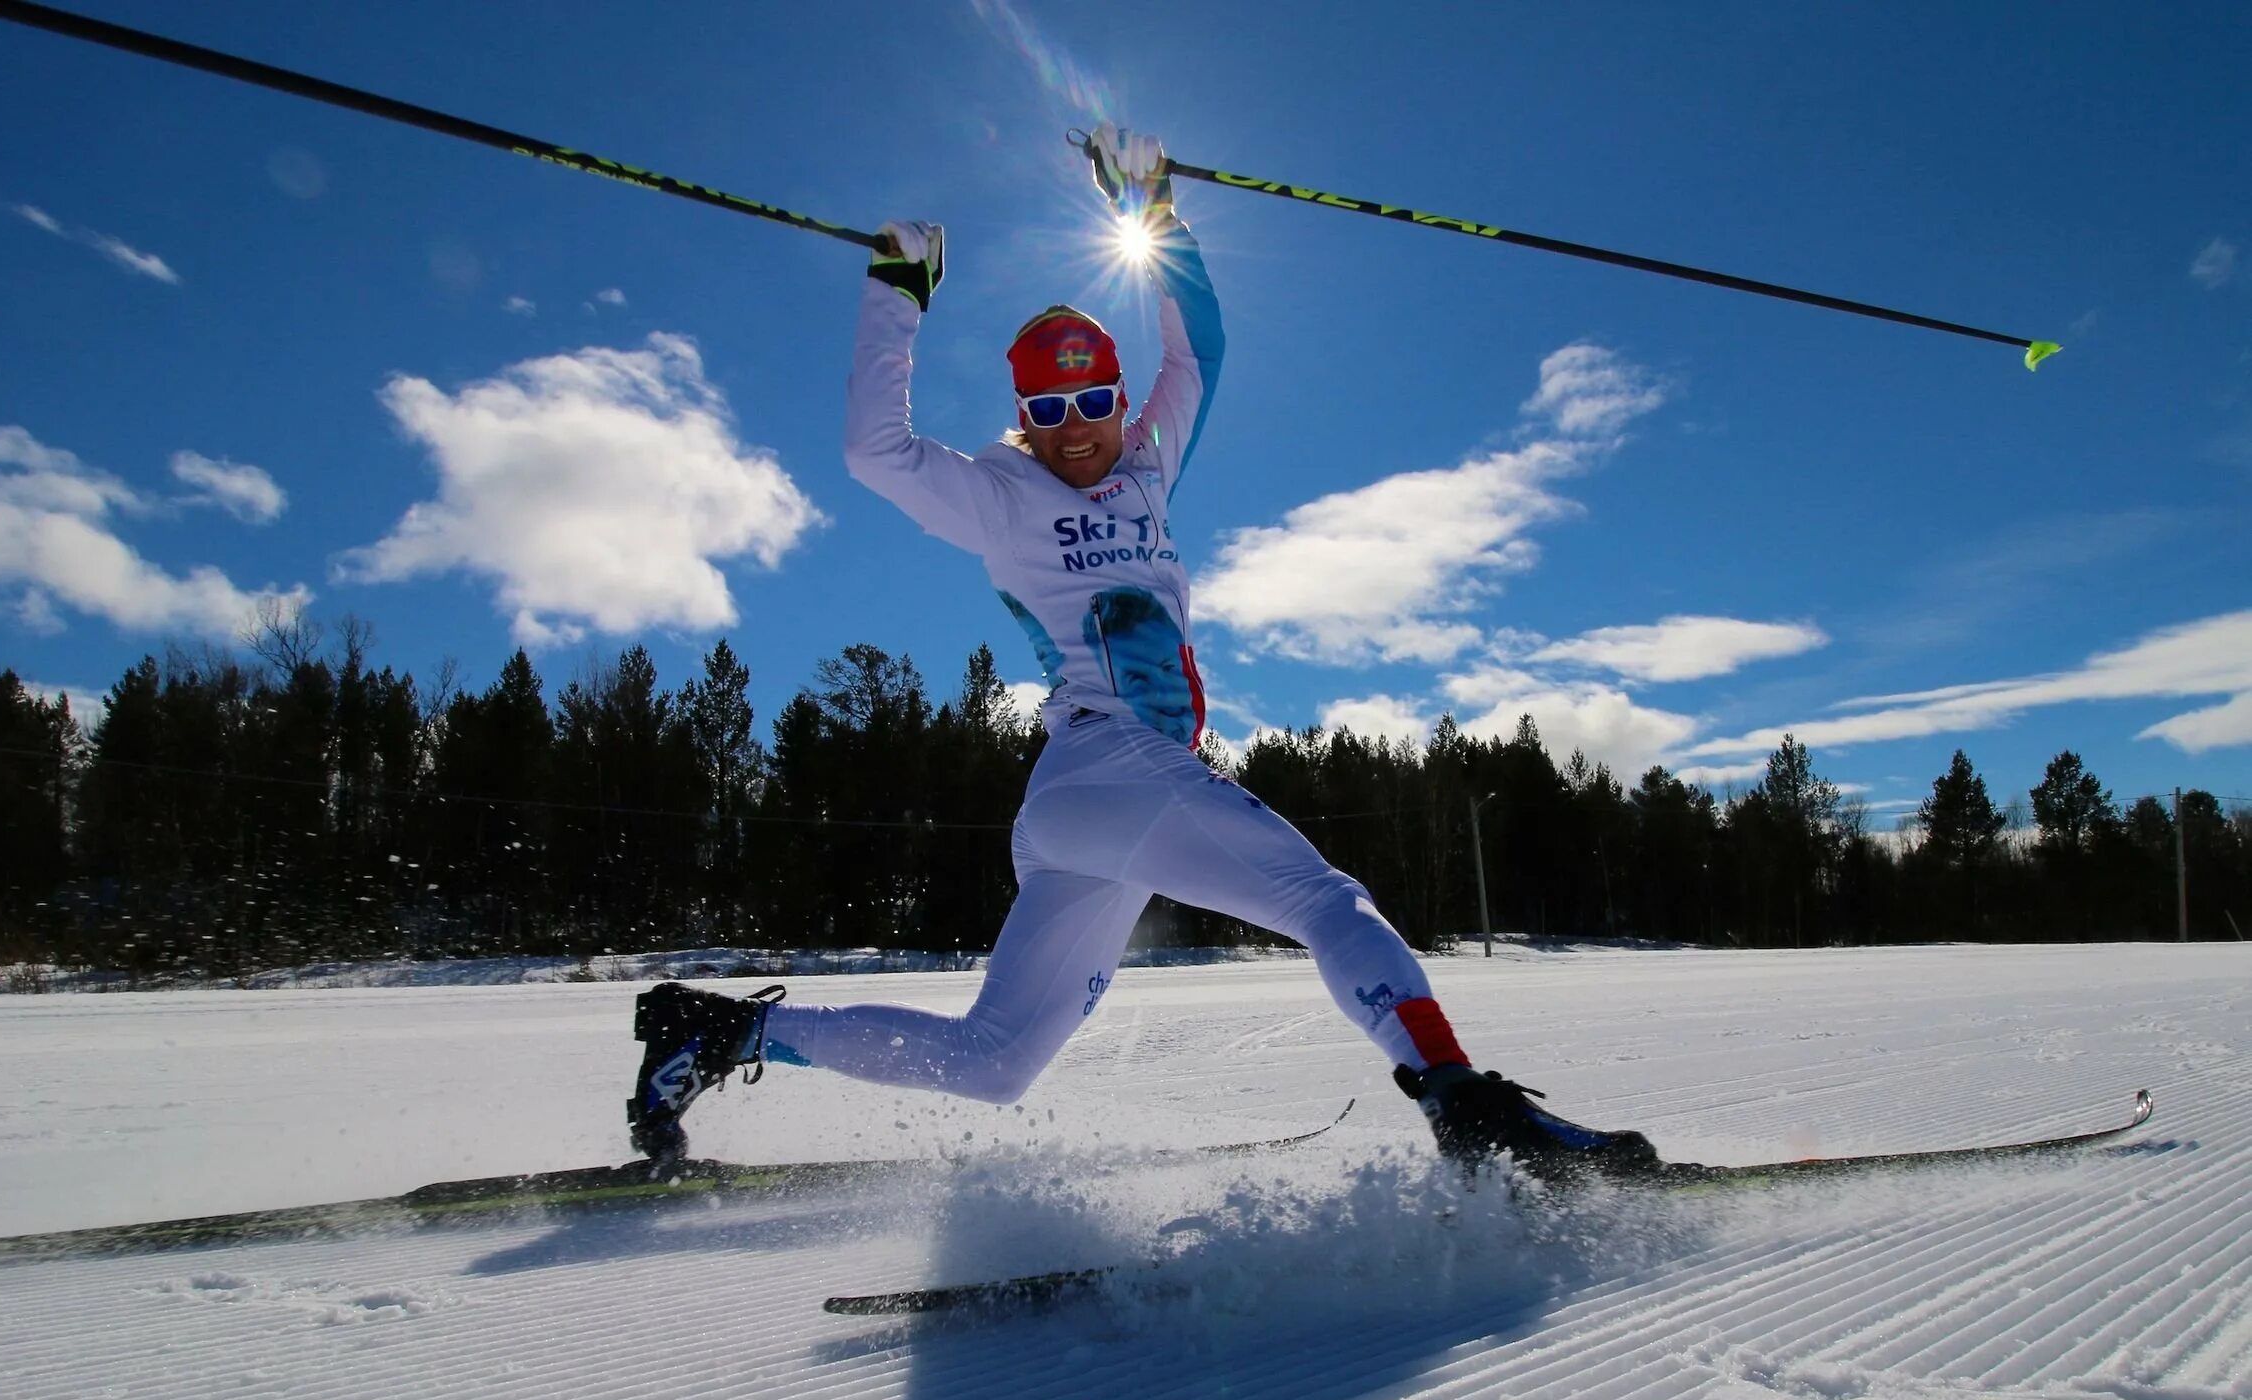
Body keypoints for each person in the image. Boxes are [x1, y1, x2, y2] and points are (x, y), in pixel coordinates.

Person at [627, 125, 1659, 1188]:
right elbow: (873, 451)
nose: (1076, 430)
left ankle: (715, 1034)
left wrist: (1154, 209)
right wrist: (899, 289)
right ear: (1023, 419)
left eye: (1092, 403)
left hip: (1089, 810)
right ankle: (1467, 1106)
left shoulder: (1152, 464)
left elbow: (1198, 347)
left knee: (992, 1062)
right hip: (1111, 764)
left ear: (1120, 399)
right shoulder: (1000, 497)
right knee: (1326, 901)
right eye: (1047, 411)